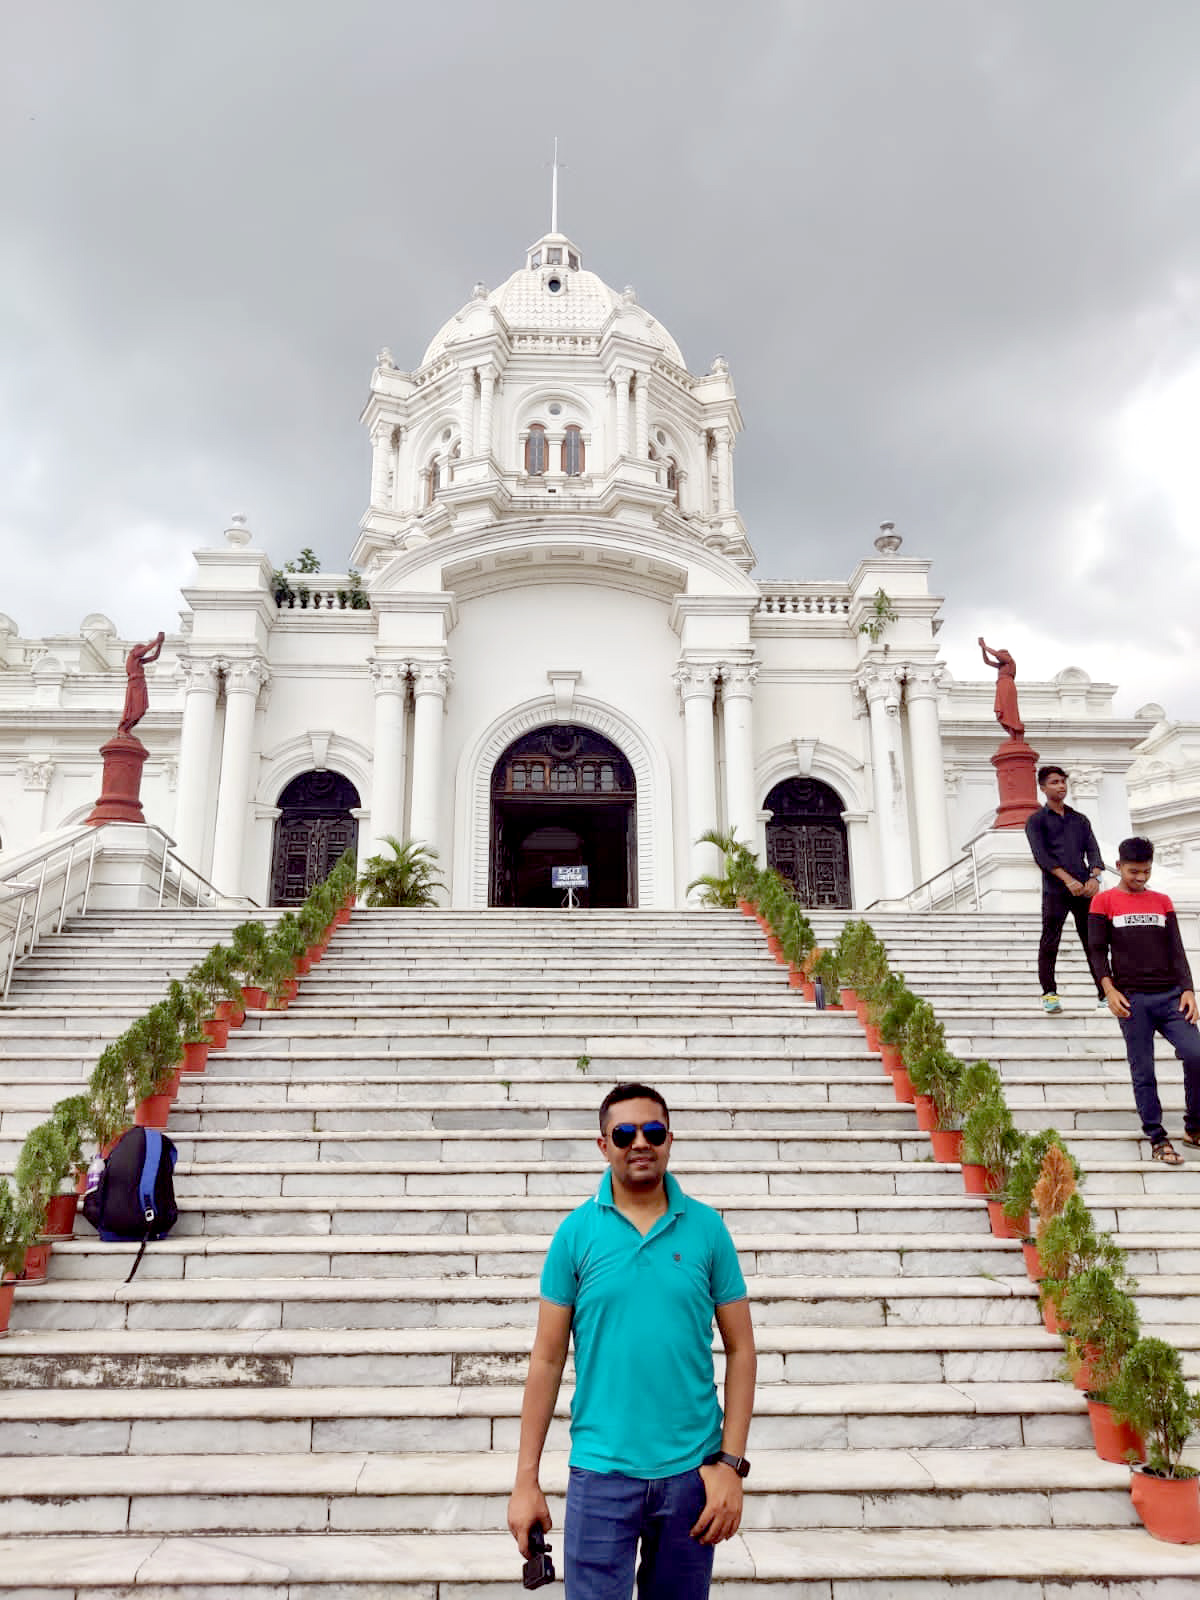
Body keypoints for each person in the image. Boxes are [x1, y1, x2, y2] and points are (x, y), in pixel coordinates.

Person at [507, 1082, 756, 1599]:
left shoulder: (708, 1230)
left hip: (693, 1476)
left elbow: (742, 1349)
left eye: (653, 1131)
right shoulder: (574, 1235)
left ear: (669, 1139)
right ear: (604, 1144)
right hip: (601, 1474)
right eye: (624, 1133)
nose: (639, 1142)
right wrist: (525, 1480)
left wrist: (731, 1466)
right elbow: (547, 1358)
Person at [1088, 836, 1200, 1167]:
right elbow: (1096, 951)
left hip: (1170, 997)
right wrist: (1108, 990)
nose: (1140, 878)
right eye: (1134, 871)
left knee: (1196, 1055)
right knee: (1144, 1070)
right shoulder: (1104, 902)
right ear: (1119, 866)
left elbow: (1176, 949)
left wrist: (1189, 989)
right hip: (1131, 1000)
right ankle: (1157, 1137)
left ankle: (1194, 1128)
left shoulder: (1162, 901)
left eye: (1146, 871)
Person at [1025, 765, 1105, 1014]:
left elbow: (1093, 850)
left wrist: (1094, 877)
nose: (1060, 786)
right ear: (1043, 787)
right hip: (1055, 891)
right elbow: (1041, 855)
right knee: (1050, 942)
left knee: (1094, 941)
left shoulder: (1080, 819)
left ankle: (1105, 993)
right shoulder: (1036, 821)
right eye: (1054, 782)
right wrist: (1066, 880)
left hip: (1084, 890)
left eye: (1062, 781)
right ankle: (1049, 993)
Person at [117, 631, 166, 735]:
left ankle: (128, 729)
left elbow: (154, 657)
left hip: (140, 683)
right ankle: (123, 728)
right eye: (140, 649)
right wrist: (156, 641)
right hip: (135, 684)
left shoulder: (139, 661)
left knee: (141, 710)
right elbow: (143, 651)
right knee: (135, 709)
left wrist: (159, 645)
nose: (142, 652)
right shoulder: (133, 655)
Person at [978, 636, 1024, 738]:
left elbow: (996, 654)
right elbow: (987, 662)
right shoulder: (1001, 666)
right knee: (1003, 709)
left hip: (1007, 686)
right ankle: (1011, 733)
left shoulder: (1009, 661)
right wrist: (982, 649)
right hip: (1001, 686)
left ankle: (1014, 730)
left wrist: (985, 646)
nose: (1000, 656)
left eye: (1002, 654)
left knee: (1008, 709)